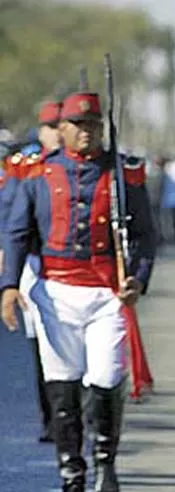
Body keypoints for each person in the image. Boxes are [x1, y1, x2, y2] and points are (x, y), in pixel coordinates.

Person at [0, 91, 156, 492]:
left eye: (92, 126)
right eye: (77, 125)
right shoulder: (38, 173)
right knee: (63, 388)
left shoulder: (123, 174)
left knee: (106, 380)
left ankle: (106, 463)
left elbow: (144, 235)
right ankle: (71, 475)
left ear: (101, 129)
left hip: (107, 293)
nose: (85, 133)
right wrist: (8, 286)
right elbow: (16, 232)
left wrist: (137, 280)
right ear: (61, 129)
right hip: (56, 293)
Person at [0, 100, 63, 443]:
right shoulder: (25, 166)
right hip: (35, 262)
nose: (57, 133)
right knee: (42, 342)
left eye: (62, 125)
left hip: (78, 265)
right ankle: (52, 417)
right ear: (41, 131)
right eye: (51, 127)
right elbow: (9, 214)